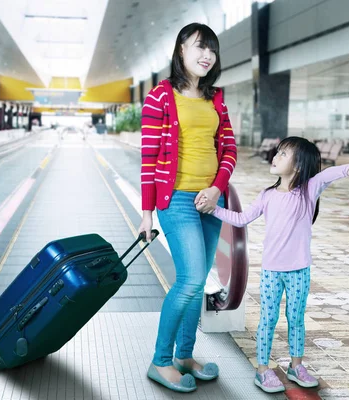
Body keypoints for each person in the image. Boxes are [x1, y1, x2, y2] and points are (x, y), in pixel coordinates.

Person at [197, 136, 349, 393]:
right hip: (271, 271)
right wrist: (214, 210)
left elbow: (327, 175)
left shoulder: (308, 191)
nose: (275, 157)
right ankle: (263, 370)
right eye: (277, 152)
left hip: (299, 270)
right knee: (268, 319)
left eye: (283, 154)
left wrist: (348, 169)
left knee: (296, 319)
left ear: (299, 166)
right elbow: (242, 218)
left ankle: (296, 366)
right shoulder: (267, 195)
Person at [138, 23, 237, 393]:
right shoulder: (159, 97)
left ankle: (184, 356)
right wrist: (147, 214)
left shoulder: (216, 98)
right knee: (191, 279)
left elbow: (229, 148)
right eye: (199, 47)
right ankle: (160, 361)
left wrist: (216, 188)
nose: (206, 55)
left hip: (212, 201)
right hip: (176, 199)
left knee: (197, 285)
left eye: (211, 49)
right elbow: (148, 160)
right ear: (181, 50)